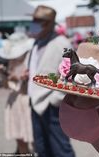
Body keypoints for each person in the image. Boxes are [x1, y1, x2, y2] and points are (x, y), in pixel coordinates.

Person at [26, 5, 75, 157]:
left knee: (61, 149)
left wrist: (55, 100)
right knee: (41, 148)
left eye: (37, 20)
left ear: (47, 23)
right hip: (34, 103)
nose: (33, 23)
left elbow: (70, 75)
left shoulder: (63, 44)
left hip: (52, 106)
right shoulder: (36, 43)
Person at [0, 32, 34, 153]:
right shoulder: (11, 61)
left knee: (34, 139)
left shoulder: (31, 59)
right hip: (15, 102)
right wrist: (2, 74)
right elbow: (7, 86)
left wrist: (24, 78)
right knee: (20, 139)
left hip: (28, 101)